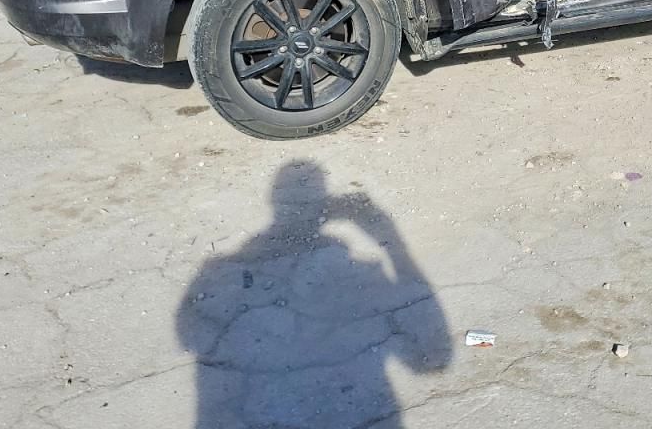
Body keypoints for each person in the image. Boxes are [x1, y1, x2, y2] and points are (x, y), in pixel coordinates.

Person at [178, 161, 450, 428]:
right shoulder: (356, 278)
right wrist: (391, 241)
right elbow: (433, 357)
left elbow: (190, 332)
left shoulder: (221, 275)